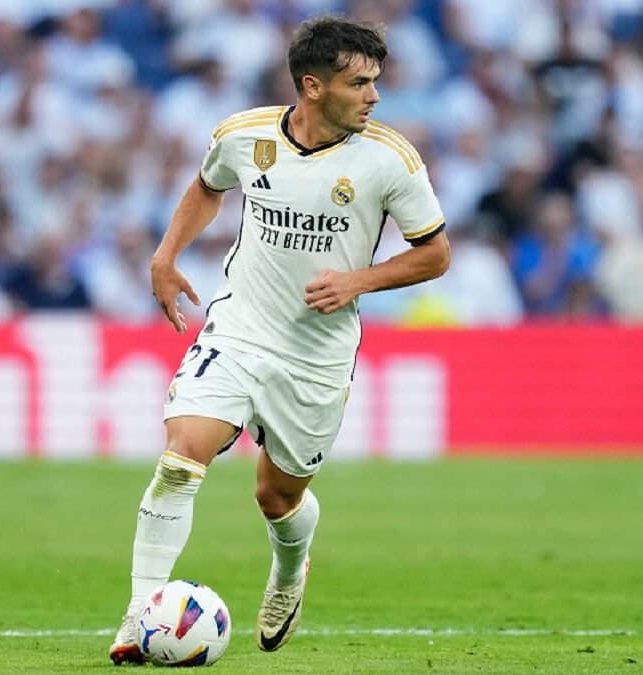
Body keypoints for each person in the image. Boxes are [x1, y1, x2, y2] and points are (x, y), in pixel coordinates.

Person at [109, 15, 450, 664]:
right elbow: (207, 187)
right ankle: (138, 614)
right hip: (239, 329)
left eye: (375, 81)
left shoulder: (391, 160)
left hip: (316, 355)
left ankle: (291, 570)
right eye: (359, 83)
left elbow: (435, 254)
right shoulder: (245, 136)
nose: (374, 96)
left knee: (277, 495)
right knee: (181, 459)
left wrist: (358, 280)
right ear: (313, 86)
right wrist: (165, 255)